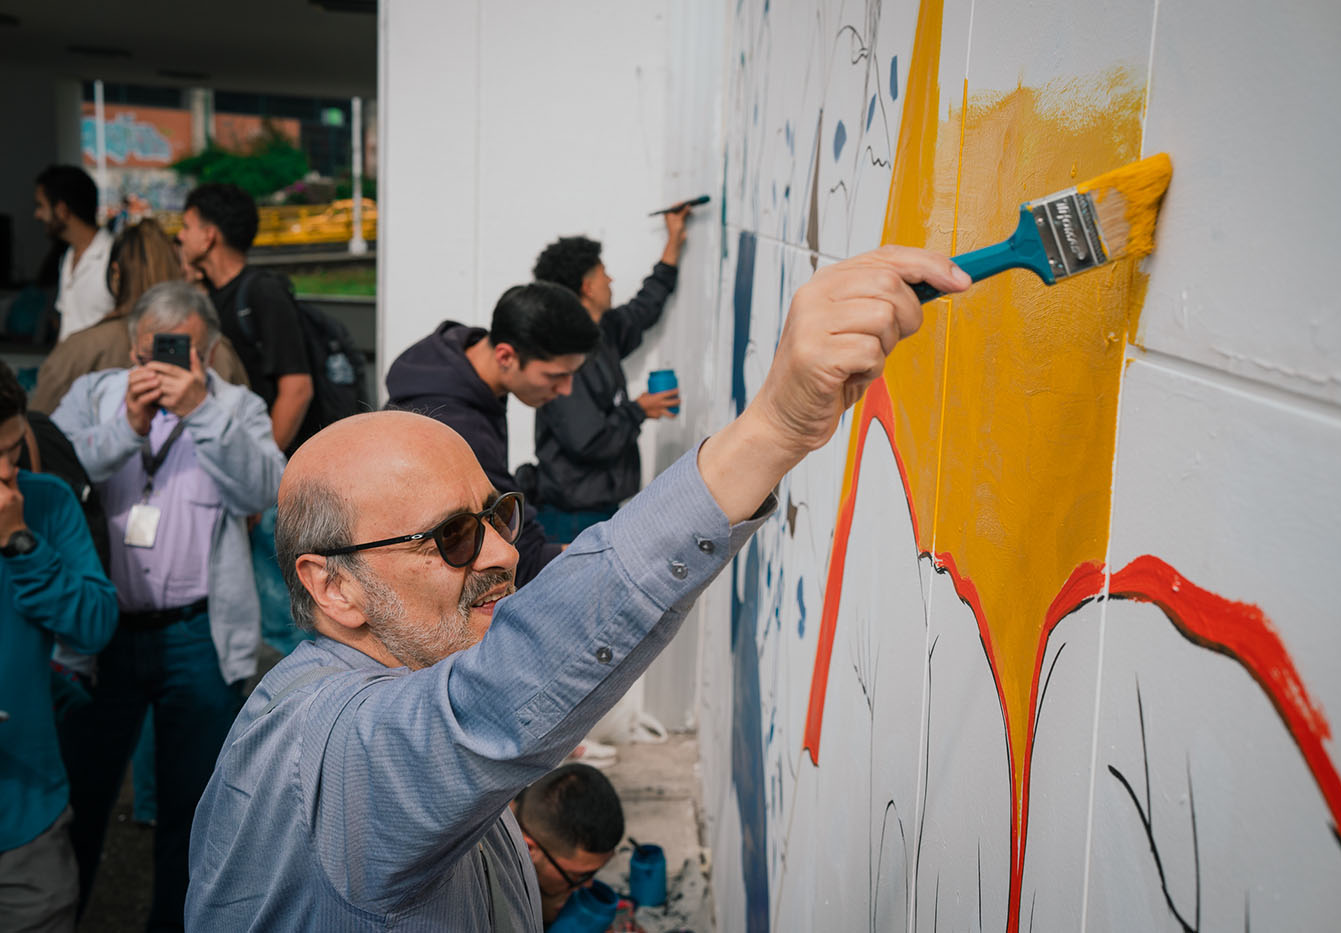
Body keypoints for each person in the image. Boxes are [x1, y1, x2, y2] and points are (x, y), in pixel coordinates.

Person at [184, 244, 971, 931]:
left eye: (498, 512)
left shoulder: (404, 665)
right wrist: (772, 430)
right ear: (333, 587)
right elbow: (494, 702)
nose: (500, 551)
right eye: (453, 536)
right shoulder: (333, 752)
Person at [51, 281, 285, 930]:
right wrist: (125, 427)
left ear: (207, 354)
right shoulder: (92, 398)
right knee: (83, 793)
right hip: (103, 634)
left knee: (192, 809)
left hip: (196, 637)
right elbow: (61, 478)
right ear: (132, 348)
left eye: (184, 354)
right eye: (154, 353)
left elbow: (266, 488)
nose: (167, 369)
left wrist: (202, 412)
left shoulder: (236, 408)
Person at [0, 360, 118, 932]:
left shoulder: (44, 500)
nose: (6, 474)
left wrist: (22, 546)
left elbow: (94, 625)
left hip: (30, 813)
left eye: (13, 449)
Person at [384, 281, 599, 584]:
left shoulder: (456, 355)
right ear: (506, 355)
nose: (565, 389)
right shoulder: (454, 425)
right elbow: (520, 557)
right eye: (555, 376)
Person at [529, 205, 692, 543]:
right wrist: (639, 410)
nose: (611, 280)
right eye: (604, 272)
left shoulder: (602, 332)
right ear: (588, 287)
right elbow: (587, 441)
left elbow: (643, 310)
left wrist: (673, 241)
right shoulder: (564, 355)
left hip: (596, 509)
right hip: (571, 519)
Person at [29, 218, 249, 414]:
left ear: (116, 274)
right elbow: (245, 425)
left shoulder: (79, 349)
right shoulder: (216, 348)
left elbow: (39, 429)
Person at [179, 182, 312, 452]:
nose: (180, 236)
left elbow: (297, 389)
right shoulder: (208, 297)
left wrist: (263, 466)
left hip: (256, 462)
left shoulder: (263, 293)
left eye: (186, 226)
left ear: (208, 236)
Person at [511, 764, 625, 925]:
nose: (588, 884)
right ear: (528, 848)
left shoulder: (523, 816)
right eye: (576, 875)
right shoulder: (479, 881)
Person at [33, 165, 115, 342]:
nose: (37, 215)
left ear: (62, 210)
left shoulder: (114, 256)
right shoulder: (67, 257)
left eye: (41, 206)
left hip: (107, 369)